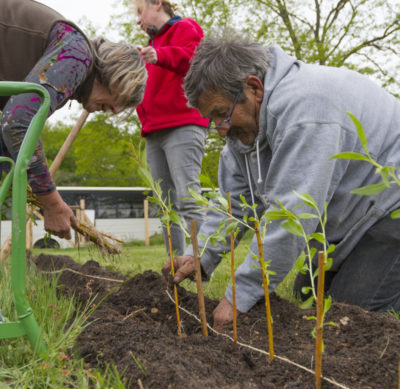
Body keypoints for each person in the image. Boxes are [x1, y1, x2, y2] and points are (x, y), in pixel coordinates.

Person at [162, 34, 400, 331]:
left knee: (350, 318)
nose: (221, 131)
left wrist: (238, 296)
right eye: (213, 120)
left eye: (222, 114)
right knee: (306, 297)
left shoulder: (307, 109)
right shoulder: (243, 136)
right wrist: (202, 255)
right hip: (354, 220)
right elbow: (234, 205)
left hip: (391, 209)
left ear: (254, 88)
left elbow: (293, 214)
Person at [0, 0, 147, 240]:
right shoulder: (78, 53)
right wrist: (52, 203)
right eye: (123, 98)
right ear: (115, 75)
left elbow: (9, 139)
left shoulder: (66, 67)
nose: (116, 111)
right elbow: (17, 124)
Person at [133, 0, 209, 256]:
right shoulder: (151, 47)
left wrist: (161, 56)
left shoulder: (185, 28)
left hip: (183, 125)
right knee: (165, 205)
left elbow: (197, 62)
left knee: (188, 199)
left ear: (156, 4)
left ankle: (201, 264)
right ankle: (175, 266)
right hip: (154, 131)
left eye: (139, 10)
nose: (137, 19)